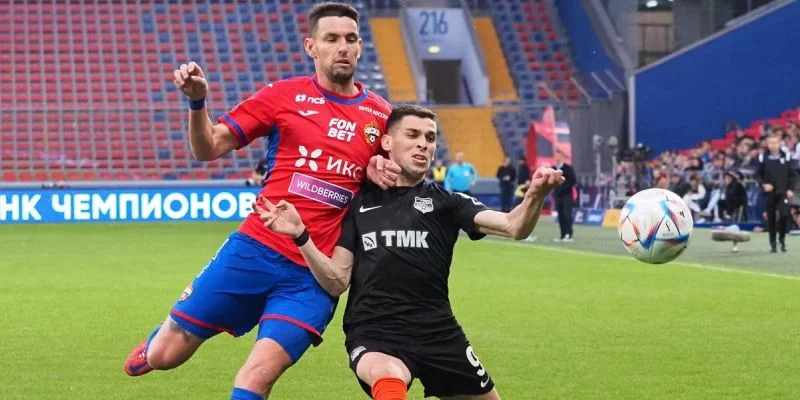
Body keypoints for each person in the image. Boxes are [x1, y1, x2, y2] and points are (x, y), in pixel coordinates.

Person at [123, 4, 401, 399]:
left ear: (359, 47)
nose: (343, 47)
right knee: (167, 355)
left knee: (256, 377)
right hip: (254, 250)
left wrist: (381, 175)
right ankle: (156, 346)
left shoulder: (382, 116)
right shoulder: (283, 95)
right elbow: (208, 148)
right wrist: (198, 103)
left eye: (350, 39)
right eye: (331, 38)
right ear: (311, 46)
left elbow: (398, 187)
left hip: (313, 274)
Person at [254, 104, 564, 400]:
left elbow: (513, 226)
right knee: (388, 376)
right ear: (387, 142)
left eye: (430, 138)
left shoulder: (448, 202)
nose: (423, 144)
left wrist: (535, 196)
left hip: (439, 333)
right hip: (375, 332)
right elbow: (336, 280)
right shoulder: (358, 203)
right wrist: (302, 236)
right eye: (412, 135)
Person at [756, 133, 797, 253]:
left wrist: (790, 189)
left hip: (783, 192)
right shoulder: (763, 157)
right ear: (767, 144)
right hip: (770, 193)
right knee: (771, 217)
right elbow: (758, 175)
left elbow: (793, 175)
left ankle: (782, 239)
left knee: (784, 214)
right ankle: (773, 242)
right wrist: (764, 185)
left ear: (779, 144)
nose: (773, 145)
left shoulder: (787, 157)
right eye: (770, 143)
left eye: (775, 142)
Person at [551, 150, 576, 242]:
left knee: (567, 214)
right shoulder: (553, 169)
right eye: (556, 156)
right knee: (560, 215)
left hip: (567, 195)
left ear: (562, 157)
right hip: (558, 196)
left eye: (559, 156)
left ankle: (569, 234)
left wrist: (564, 187)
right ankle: (562, 235)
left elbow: (573, 181)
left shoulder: (568, 168)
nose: (557, 158)